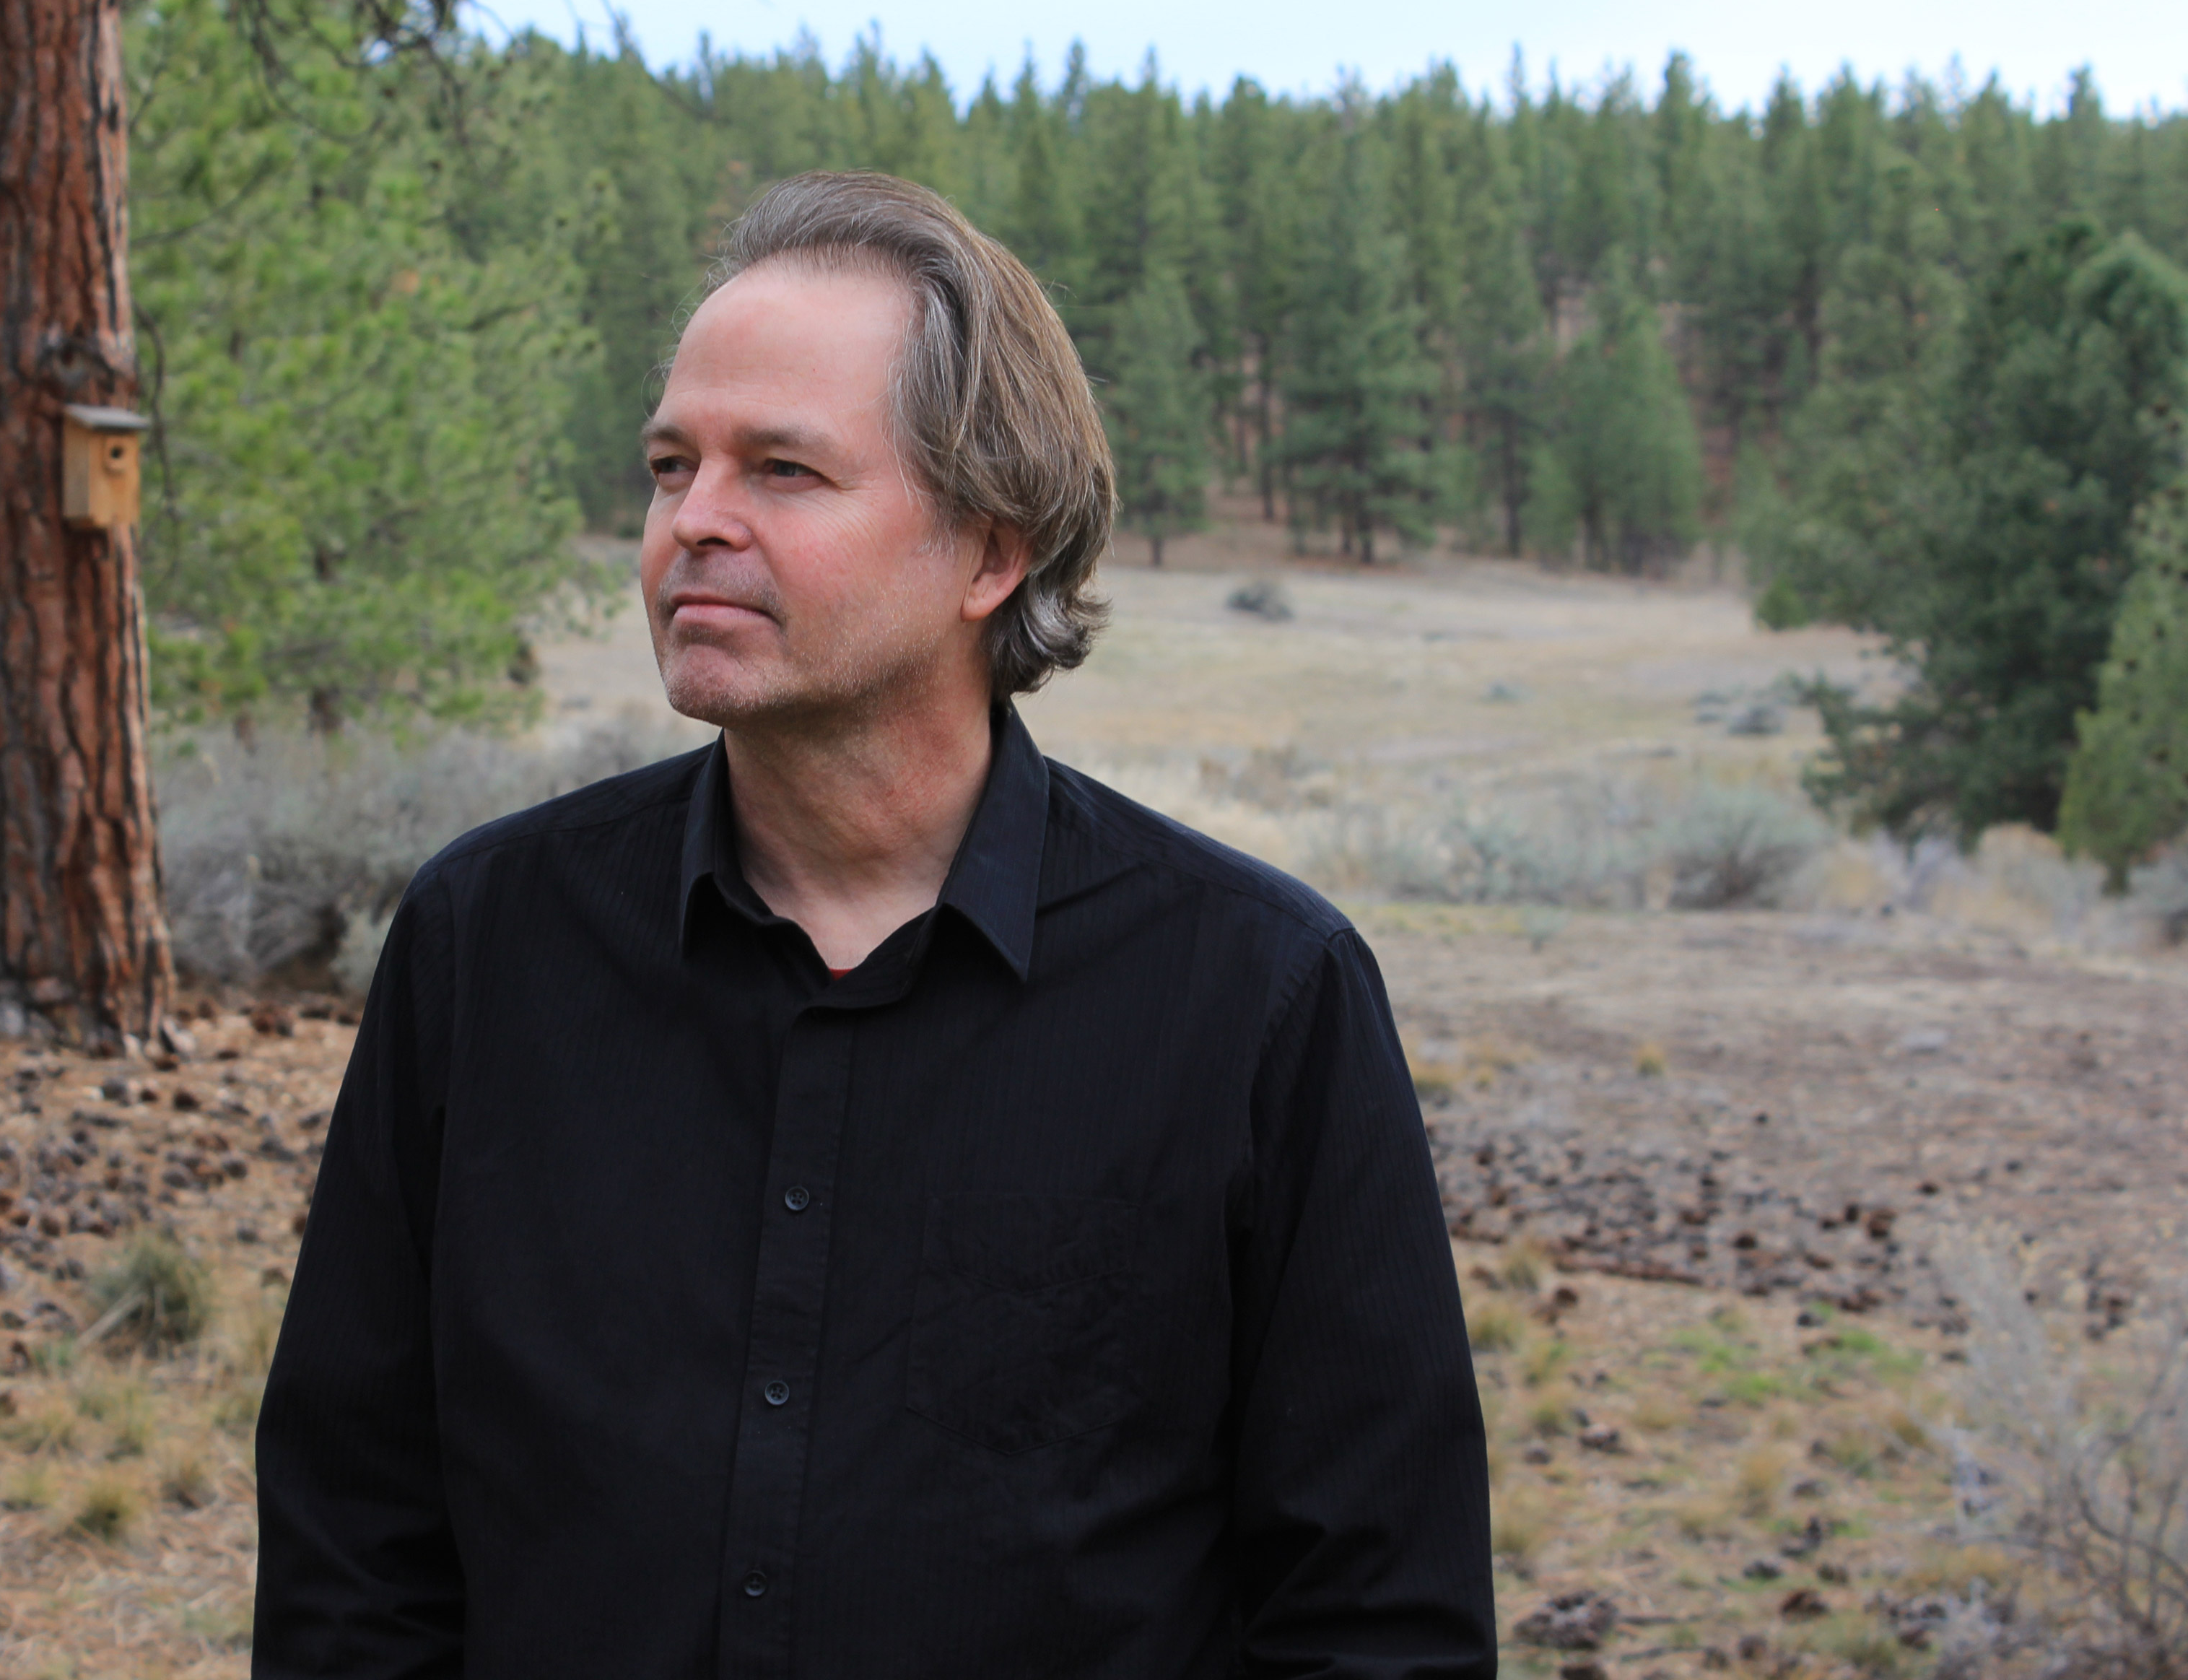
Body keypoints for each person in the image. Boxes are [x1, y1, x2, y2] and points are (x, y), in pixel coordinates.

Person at [253, 171, 1494, 1680]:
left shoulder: (1258, 998)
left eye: (782, 470)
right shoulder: (484, 943)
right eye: (668, 466)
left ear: (992, 549)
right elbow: (352, 1544)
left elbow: (1375, 1615)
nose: (692, 523)